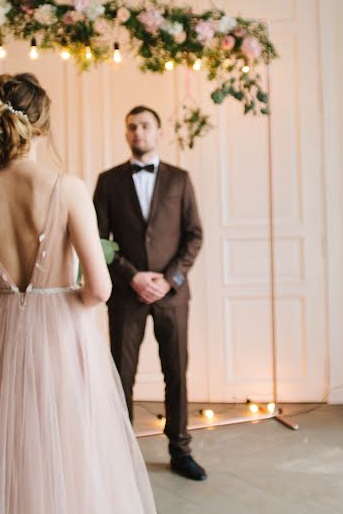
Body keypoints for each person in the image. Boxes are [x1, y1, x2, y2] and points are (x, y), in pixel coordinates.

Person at [0, 74, 155, 513]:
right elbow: (99, 289)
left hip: (0, 337)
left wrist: (1, 300)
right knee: (68, 445)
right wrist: (56, 299)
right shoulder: (67, 187)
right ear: (41, 125)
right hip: (62, 336)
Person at [93, 105, 206, 481]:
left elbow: (194, 235)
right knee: (121, 375)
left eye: (145, 126)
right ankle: (120, 454)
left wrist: (168, 278)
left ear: (159, 133)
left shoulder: (180, 179)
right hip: (126, 297)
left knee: (176, 373)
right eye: (131, 127)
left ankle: (180, 449)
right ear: (126, 134)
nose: (137, 132)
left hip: (172, 297)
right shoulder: (108, 182)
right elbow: (98, 241)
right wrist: (133, 277)